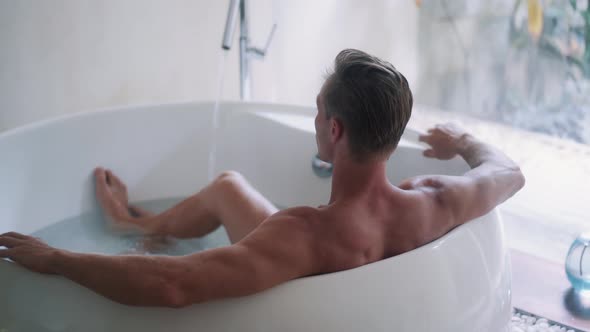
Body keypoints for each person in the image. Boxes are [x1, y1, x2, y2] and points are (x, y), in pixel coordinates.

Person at [0, 49, 525, 308]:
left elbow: (172, 283)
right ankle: (136, 222)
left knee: (221, 197)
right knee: (229, 186)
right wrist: (460, 143)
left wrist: (57, 258)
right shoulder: (433, 201)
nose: (315, 122)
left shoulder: (300, 233)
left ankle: (123, 228)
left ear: (335, 130)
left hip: (316, 261)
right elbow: (509, 172)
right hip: (369, 257)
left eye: (318, 114)